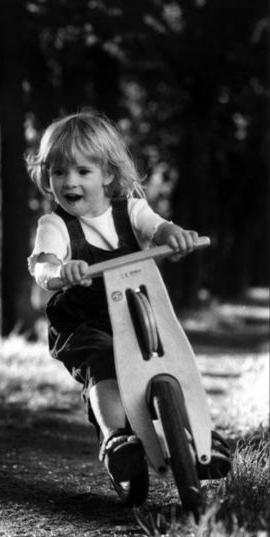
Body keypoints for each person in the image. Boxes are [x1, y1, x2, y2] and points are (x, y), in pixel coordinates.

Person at [26, 110, 231, 499]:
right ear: (48, 177)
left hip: (138, 310)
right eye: (58, 172)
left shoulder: (130, 209)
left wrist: (176, 236)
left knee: (175, 361)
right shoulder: (54, 226)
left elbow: (158, 227)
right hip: (86, 321)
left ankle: (202, 437)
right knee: (102, 367)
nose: (69, 181)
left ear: (107, 174)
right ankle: (118, 439)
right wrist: (60, 273)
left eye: (82, 171)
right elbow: (44, 264)